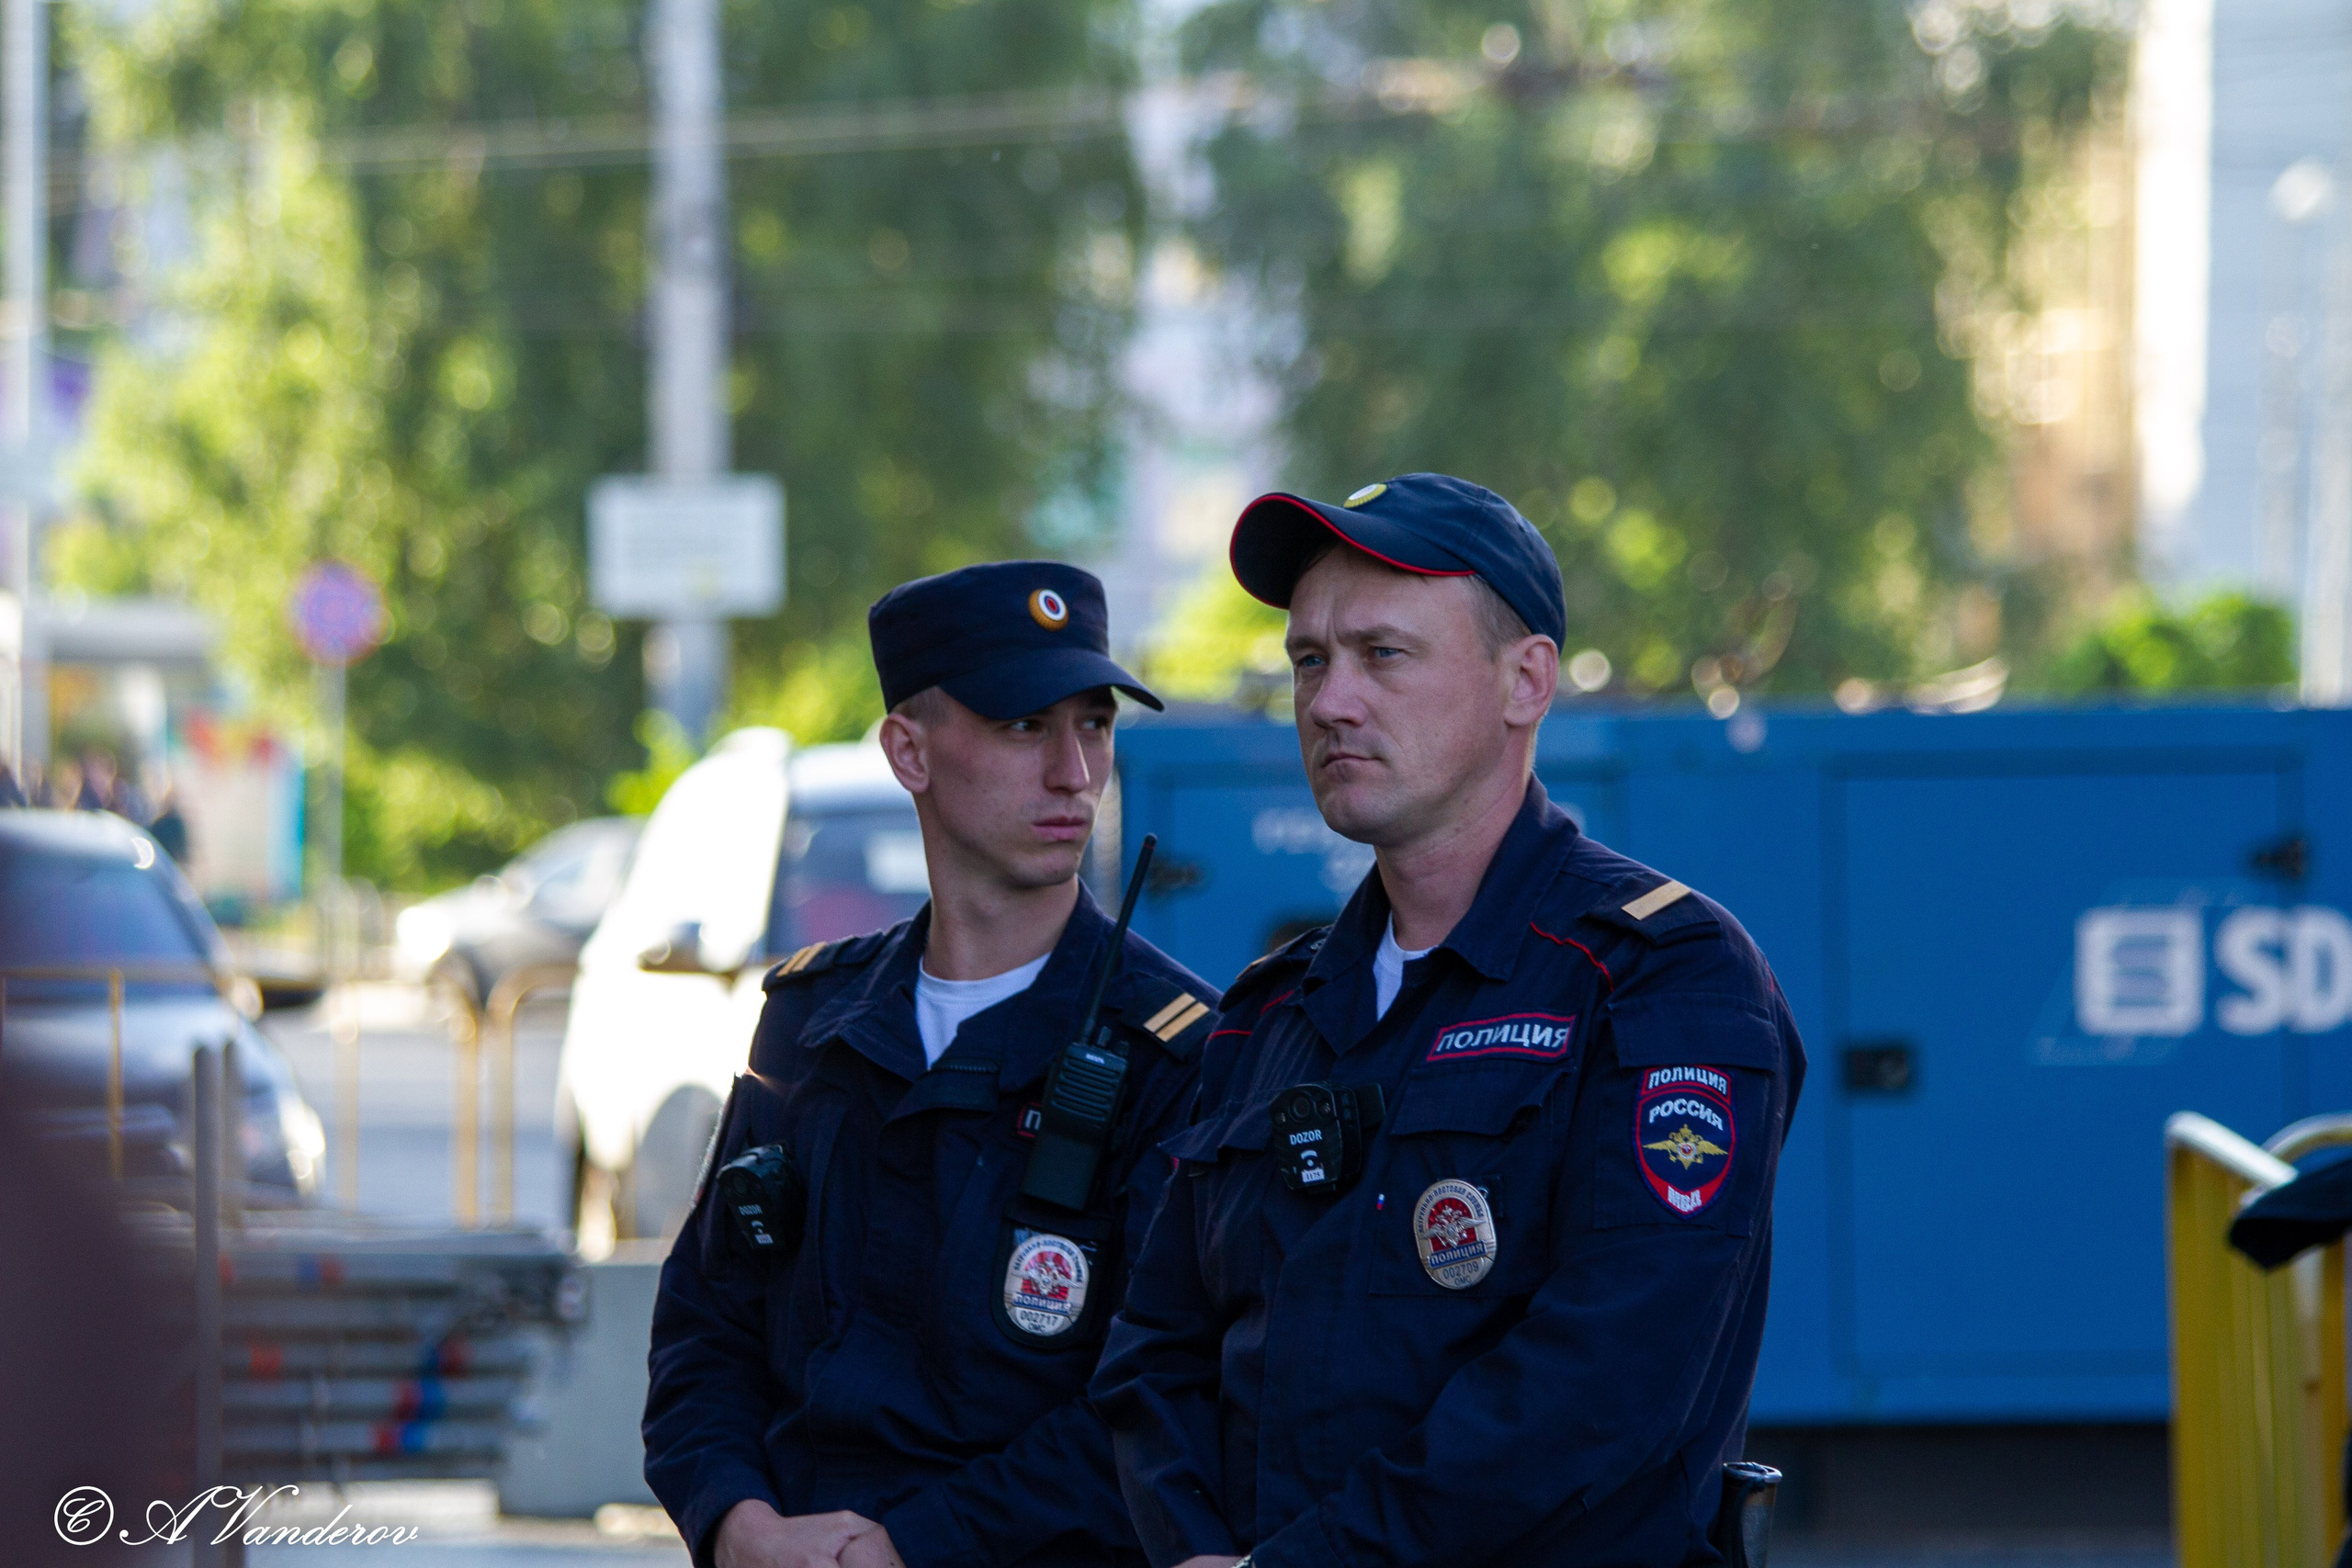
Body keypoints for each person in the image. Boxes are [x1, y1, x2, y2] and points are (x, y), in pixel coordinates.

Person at [1092, 474, 1808, 1568]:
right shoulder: (1266, 1016)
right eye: (1309, 660)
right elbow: (1156, 1358)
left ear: (1524, 681)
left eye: (1383, 654)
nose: (1331, 700)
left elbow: (1603, 1386)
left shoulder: (1665, 981)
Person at [644, 561, 1219, 1568]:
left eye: (1093, 724)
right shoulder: (812, 1023)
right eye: (1021, 726)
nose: (1073, 773)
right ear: (908, 750)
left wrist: (907, 1549)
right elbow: (705, 1332)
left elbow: (1158, 1400)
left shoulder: (1174, 1049)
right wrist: (737, 1524)